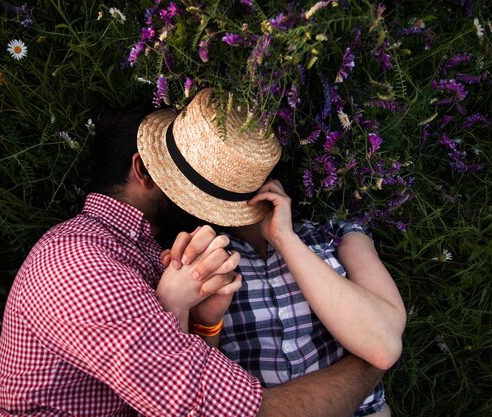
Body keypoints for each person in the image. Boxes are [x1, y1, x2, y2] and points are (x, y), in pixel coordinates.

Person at [0, 92, 387, 417]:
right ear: (144, 170)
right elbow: (241, 413)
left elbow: (182, 365)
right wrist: (368, 366)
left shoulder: (148, 251)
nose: (204, 189)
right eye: (184, 167)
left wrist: (205, 323)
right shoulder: (82, 265)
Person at [139, 88, 406, 417]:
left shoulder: (335, 234)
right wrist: (206, 322)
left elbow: (383, 346)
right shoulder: (191, 255)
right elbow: (197, 389)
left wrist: (285, 239)